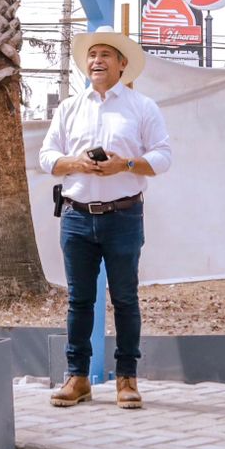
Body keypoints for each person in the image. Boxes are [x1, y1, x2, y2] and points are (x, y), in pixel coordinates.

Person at [39, 25, 171, 410]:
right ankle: (77, 377)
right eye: (92, 55)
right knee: (79, 300)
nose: (97, 61)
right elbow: (46, 157)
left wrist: (125, 164)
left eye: (105, 55)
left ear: (122, 64)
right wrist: (74, 163)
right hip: (76, 216)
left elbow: (163, 157)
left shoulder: (142, 107)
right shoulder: (69, 108)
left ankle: (127, 378)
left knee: (125, 299)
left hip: (123, 216)